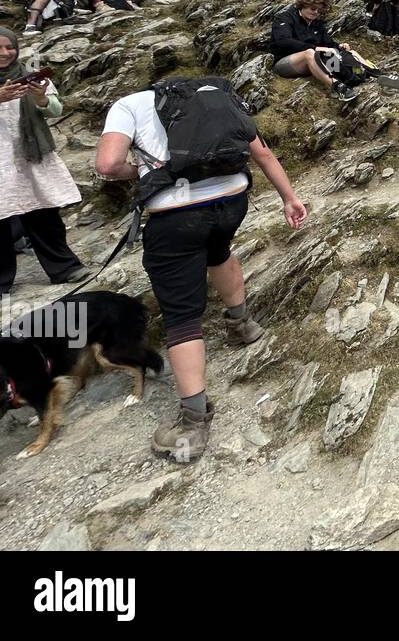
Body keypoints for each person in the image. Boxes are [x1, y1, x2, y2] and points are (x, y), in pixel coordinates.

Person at [94, 81, 307, 463]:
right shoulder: (214, 99)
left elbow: (107, 165)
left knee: (180, 315)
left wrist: (143, 169)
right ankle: (244, 326)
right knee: (219, 252)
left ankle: (192, 424)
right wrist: (290, 198)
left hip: (175, 215)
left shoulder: (127, 105)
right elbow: (263, 152)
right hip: (231, 199)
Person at [0, 27, 91, 298]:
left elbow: (55, 110)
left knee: (44, 213)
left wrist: (41, 98)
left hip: (29, 155)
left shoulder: (26, 74)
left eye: (9, 47)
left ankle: (64, 268)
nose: (3, 53)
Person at [270, 0, 358, 102]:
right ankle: (337, 87)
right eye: (313, 8)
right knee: (310, 53)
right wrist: (315, 48)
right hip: (284, 63)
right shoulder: (285, 18)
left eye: (320, 11)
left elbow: (328, 43)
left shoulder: (317, 23)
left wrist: (340, 46)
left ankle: (363, 74)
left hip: (312, 61)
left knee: (350, 53)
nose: (316, 12)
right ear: (303, 5)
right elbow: (283, 41)